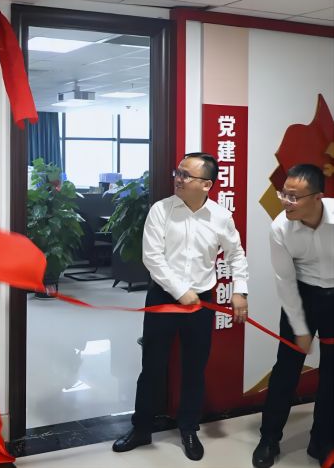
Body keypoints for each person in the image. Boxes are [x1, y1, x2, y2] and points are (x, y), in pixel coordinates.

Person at [112, 152, 249, 461]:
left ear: (207, 184)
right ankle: (141, 428)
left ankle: (188, 428)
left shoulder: (220, 217)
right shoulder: (161, 210)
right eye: (178, 172)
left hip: (201, 302)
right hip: (162, 298)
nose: (178, 178)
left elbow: (236, 254)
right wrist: (180, 290)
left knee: (194, 368)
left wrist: (240, 290)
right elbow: (152, 257)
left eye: (187, 175)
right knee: (152, 365)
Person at [252, 164, 333, 468]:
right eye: (283, 194)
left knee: (332, 374)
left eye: (294, 197)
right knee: (286, 369)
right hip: (301, 295)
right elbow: (285, 281)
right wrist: (300, 328)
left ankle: (322, 441)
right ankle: (269, 439)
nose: (285, 201)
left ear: (318, 197)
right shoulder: (280, 228)